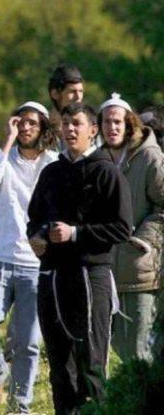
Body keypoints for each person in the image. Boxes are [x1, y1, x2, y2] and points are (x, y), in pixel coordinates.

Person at [27, 102, 133, 414]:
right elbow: (35, 218)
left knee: (91, 364)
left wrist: (75, 234)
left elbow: (122, 228)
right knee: (60, 365)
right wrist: (37, 236)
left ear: (93, 130)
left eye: (77, 123)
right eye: (65, 123)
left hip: (90, 276)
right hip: (52, 276)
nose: (70, 129)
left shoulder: (106, 171)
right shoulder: (51, 172)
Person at [0, 101, 58, 412]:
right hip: (0, 258)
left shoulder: (54, 163)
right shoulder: (1, 157)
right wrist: (7, 140)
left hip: (37, 264)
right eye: (20, 121)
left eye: (32, 122)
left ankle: (20, 406)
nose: (25, 127)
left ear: (43, 127)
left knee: (29, 342)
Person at [98, 93, 164, 363]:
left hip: (140, 266)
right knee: (117, 346)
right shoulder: (97, 159)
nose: (112, 127)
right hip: (104, 267)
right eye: (106, 122)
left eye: (117, 122)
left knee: (139, 349)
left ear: (129, 124)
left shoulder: (150, 157)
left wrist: (141, 240)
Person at [48, 65, 85, 148]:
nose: (78, 97)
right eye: (72, 92)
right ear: (55, 94)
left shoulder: (89, 129)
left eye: (81, 91)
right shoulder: (43, 131)